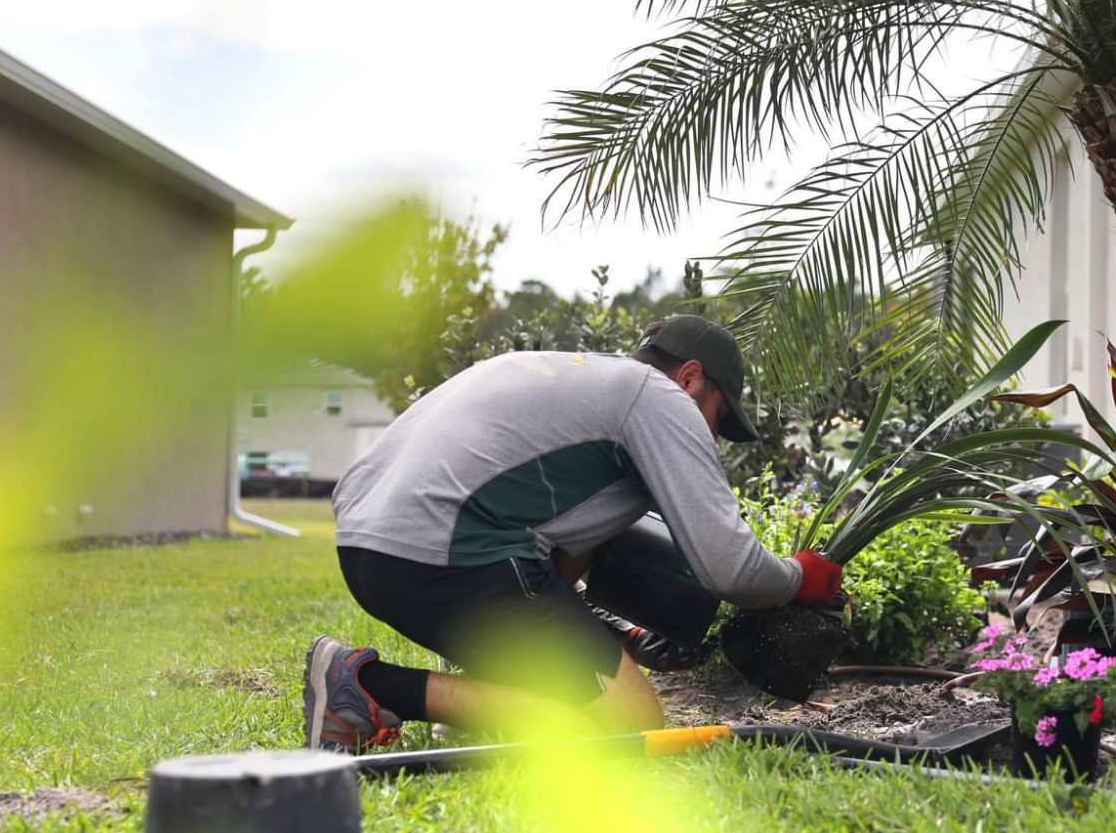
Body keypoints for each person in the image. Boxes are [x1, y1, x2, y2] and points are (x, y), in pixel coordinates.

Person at [302, 315, 842, 752]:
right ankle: (367, 687)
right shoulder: (658, 398)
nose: (712, 438)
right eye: (717, 420)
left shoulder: (576, 382)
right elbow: (730, 569)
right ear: (690, 378)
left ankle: (469, 704)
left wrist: (617, 634)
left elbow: (556, 561)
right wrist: (801, 577)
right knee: (629, 728)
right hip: (447, 553)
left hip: (371, 548)